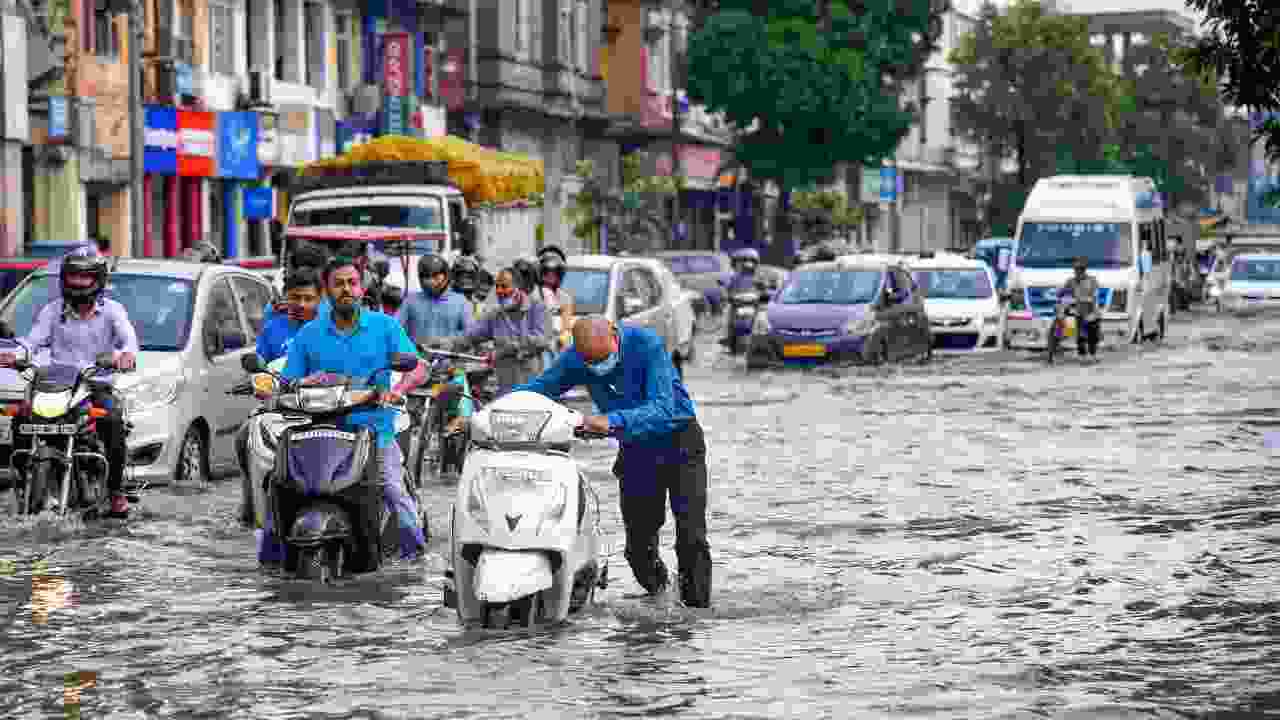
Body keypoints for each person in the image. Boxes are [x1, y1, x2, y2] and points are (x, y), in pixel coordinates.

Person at [514, 316, 711, 608]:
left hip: (679, 441)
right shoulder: (576, 359)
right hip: (635, 450)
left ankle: (695, 618)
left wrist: (610, 421)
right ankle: (661, 597)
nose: (597, 368)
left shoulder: (647, 345)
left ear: (615, 337)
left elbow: (662, 409)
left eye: (603, 359)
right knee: (638, 548)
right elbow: (539, 390)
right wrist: (488, 413)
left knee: (691, 536)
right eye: (590, 363)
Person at [261, 255, 430, 561]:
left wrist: (397, 390)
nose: (346, 289)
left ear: (361, 287)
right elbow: (287, 381)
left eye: (352, 283)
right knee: (277, 485)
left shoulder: (385, 327)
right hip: (317, 433)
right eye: (338, 284)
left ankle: (416, 559)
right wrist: (284, 388)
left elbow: (418, 367)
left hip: (373, 430)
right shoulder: (309, 334)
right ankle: (270, 561)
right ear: (327, 291)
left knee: (392, 489)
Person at [0, 250, 138, 517]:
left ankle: (115, 490)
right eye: (72, 277)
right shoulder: (52, 311)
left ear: (97, 280)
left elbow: (128, 341)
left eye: (83, 278)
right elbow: (31, 342)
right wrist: (15, 357)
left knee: (111, 420)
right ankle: (21, 478)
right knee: (21, 419)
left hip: (95, 386)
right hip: (56, 385)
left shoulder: (113, 312)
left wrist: (124, 356)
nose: (77, 283)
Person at [236, 267, 325, 525]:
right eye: (295, 297)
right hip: (281, 406)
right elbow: (262, 360)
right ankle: (252, 504)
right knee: (245, 435)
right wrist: (257, 378)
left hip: (327, 407)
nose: (301, 304)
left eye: (309, 298)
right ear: (286, 296)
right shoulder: (274, 327)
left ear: (320, 299)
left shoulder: (331, 329)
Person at [450, 267, 550, 396]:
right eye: (497, 287)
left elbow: (540, 341)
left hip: (533, 387)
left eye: (504, 286)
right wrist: (444, 345)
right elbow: (470, 336)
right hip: (505, 389)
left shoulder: (537, 308)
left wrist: (505, 350)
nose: (499, 291)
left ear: (518, 287)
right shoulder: (495, 314)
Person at [398, 254, 471, 348]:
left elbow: (470, 333)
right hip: (417, 358)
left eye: (435, 277)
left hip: (449, 359)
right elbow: (395, 328)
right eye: (427, 277)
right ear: (420, 278)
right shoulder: (410, 301)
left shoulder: (461, 302)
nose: (431, 281)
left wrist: (449, 341)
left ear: (445, 276)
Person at [538, 246, 576, 361]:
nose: (550, 276)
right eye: (547, 272)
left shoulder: (565, 299)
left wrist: (560, 340)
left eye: (554, 273)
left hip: (553, 352)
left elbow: (566, 329)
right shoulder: (533, 295)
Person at [1061, 256, 1101, 359]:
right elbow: (1062, 293)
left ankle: (1093, 354)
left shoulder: (1092, 280)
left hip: (1091, 312)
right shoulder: (1070, 281)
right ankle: (1081, 355)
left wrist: (1093, 308)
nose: (1077, 272)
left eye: (1080, 269)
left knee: (1093, 335)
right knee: (1079, 335)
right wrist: (1064, 298)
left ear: (1084, 270)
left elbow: (1096, 296)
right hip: (1078, 312)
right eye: (1076, 270)